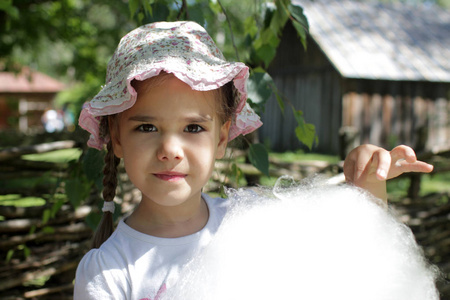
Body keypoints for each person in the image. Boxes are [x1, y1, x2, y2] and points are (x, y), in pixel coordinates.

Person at [74, 21, 433, 300]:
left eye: (194, 127)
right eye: (148, 126)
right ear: (117, 138)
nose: (170, 149)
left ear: (221, 137)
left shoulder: (249, 228)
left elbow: (358, 267)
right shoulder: (107, 271)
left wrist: (369, 186)